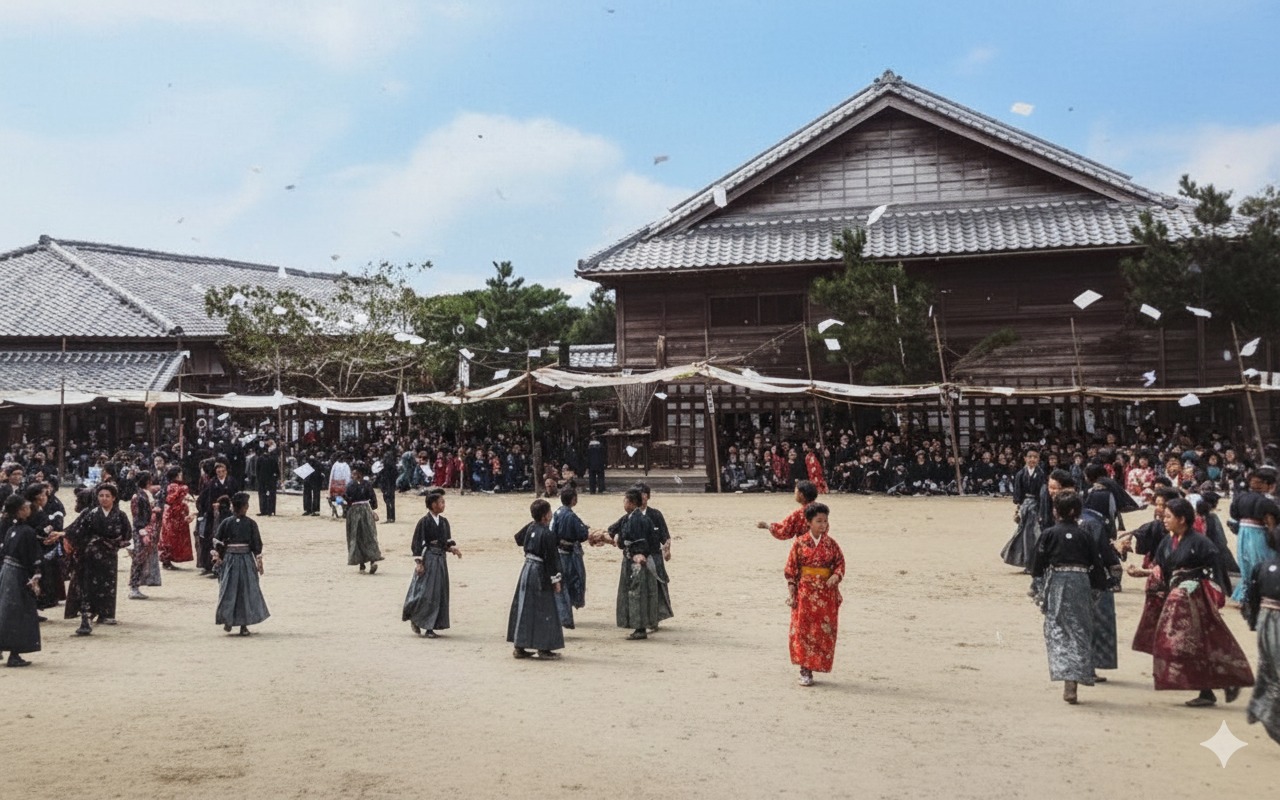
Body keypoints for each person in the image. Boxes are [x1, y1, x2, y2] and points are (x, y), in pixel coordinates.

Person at [1126, 497, 1254, 707]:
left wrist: (1213, 591)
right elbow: (1162, 568)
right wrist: (1144, 573)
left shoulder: (1201, 543)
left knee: (1199, 643)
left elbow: (1216, 571)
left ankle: (1220, 683)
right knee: (1192, 645)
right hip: (1176, 599)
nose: (1163, 519)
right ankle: (1209, 688)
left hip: (1197, 599)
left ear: (1182, 519)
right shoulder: (1167, 542)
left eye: (1168, 516)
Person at [1032, 490, 1108, 704]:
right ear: (1076, 512)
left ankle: (1068, 679)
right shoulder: (1085, 535)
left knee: (1058, 628)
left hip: (1057, 581)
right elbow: (1097, 563)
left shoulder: (1049, 533)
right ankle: (1074, 679)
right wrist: (1098, 588)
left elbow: (1038, 564)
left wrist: (1038, 589)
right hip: (1081, 582)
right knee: (1080, 629)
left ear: (1057, 511)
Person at [784, 502, 845, 687]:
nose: (823, 525)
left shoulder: (831, 544)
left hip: (826, 594)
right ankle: (805, 670)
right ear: (809, 522)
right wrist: (792, 592)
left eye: (825, 521)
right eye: (819, 521)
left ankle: (817, 664)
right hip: (805, 593)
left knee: (823, 631)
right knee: (803, 631)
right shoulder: (800, 543)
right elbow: (791, 569)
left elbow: (840, 563)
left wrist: (836, 576)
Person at [64, 483, 131, 636]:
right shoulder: (90, 512)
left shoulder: (120, 515)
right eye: (101, 495)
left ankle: (106, 614)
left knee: (108, 583)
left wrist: (116, 544)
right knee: (89, 584)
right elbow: (76, 530)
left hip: (109, 555)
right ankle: (88, 614)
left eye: (107, 496)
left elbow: (127, 534)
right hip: (90, 555)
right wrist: (65, 536)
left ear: (114, 498)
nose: (104, 499)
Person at [507, 498, 565, 659]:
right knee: (545, 608)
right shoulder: (547, 533)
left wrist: (532, 533)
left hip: (527, 569)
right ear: (546, 516)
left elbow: (518, 538)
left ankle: (520, 646)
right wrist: (556, 580)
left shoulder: (531, 527)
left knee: (525, 606)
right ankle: (544, 648)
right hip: (540, 571)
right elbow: (551, 559)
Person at [1242, 500, 1280, 745]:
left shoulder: (1262, 567)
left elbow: (1252, 600)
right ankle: (1271, 713)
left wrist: (1253, 621)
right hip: (1273, 621)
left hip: (1266, 620)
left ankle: (1265, 708)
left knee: (1269, 667)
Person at [610, 488, 670, 640]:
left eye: (625, 500)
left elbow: (642, 541)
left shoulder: (638, 519)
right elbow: (613, 530)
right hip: (635, 558)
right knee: (637, 593)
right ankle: (641, 625)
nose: (623, 503)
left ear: (631, 503)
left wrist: (638, 553)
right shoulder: (629, 518)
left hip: (638, 560)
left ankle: (640, 628)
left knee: (637, 593)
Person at [402, 489, 460, 638]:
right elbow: (417, 543)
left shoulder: (444, 522)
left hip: (440, 560)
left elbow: (444, 543)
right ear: (433, 505)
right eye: (441, 502)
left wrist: (451, 549)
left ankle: (431, 625)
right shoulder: (424, 522)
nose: (443, 505)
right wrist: (419, 563)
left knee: (438, 592)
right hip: (429, 559)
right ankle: (420, 620)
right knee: (426, 593)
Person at [212, 492, 269, 636]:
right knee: (237, 592)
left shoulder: (240, 523)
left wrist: (219, 554)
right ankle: (233, 621)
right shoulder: (245, 523)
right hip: (238, 560)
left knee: (240, 591)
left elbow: (217, 541)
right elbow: (218, 541)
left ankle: (240, 623)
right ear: (244, 507)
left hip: (237, 560)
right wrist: (218, 556)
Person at [0, 494, 42, 667]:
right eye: (26, 507)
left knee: (5, 611)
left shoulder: (11, 530)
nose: (29, 509)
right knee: (20, 613)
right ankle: (15, 654)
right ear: (19, 511)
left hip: (6, 573)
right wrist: (36, 575)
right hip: (19, 575)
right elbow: (33, 557)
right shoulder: (27, 532)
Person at [1230, 467, 1279, 605]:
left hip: (1243, 534)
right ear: (1268, 485)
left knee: (1246, 566)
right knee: (1262, 563)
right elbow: (1271, 524)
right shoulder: (1267, 503)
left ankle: (1245, 595)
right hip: (1258, 535)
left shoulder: (1240, 498)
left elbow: (1234, 517)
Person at [550, 487, 591, 629]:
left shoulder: (557, 513)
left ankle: (563, 615)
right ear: (573, 499)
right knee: (573, 580)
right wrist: (585, 529)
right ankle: (566, 617)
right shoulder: (571, 516)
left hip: (559, 553)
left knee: (562, 582)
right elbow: (583, 534)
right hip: (570, 554)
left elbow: (552, 532)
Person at [1001, 450, 1046, 571]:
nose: (1032, 459)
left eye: (1035, 457)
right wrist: (1018, 507)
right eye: (1030, 457)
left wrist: (1042, 509)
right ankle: (1026, 561)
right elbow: (1017, 493)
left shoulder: (1041, 474)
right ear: (1025, 458)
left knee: (1034, 534)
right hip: (1025, 506)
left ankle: (1034, 563)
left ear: (1038, 459)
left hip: (1036, 506)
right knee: (1024, 534)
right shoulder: (1020, 474)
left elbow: (1043, 493)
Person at [196, 460, 237, 577]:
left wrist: (226, 504)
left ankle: (226, 565)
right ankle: (210, 566)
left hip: (228, 513)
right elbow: (206, 499)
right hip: (213, 515)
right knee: (211, 539)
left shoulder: (232, 481)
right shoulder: (211, 483)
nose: (220, 472)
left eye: (222, 470)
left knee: (226, 539)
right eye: (218, 470)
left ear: (226, 470)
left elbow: (235, 497)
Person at [127, 472, 162, 599]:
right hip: (141, 530)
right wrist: (143, 531)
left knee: (141, 558)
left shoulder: (143, 494)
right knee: (139, 558)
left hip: (144, 529)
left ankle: (136, 586)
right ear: (148, 481)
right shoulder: (138, 496)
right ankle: (134, 586)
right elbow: (137, 517)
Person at [344, 464, 384, 574]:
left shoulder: (350, 485)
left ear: (360, 474)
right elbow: (373, 501)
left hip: (355, 511)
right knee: (369, 535)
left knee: (358, 536)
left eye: (355, 474)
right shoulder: (367, 484)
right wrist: (372, 509)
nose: (353, 476)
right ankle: (370, 561)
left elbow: (347, 499)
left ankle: (364, 564)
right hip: (366, 510)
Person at [159, 466, 194, 569]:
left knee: (169, 538)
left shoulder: (170, 485)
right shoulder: (178, 487)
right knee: (171, 538)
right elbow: (171, 499)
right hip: (175, 514)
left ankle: (167, 560)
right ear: (177, 475)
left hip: (172, 513)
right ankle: (167, 560)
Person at [256, 440, 279, 516]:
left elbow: (257, 470)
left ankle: (263, 510)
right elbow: (277, 470)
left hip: (262, 479)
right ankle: (271, 510)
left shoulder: (260, 459)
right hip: (271, 480)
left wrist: (258, 479)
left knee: (262, 495)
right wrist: (276, 478)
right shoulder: (273, 459)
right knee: (271, 495)